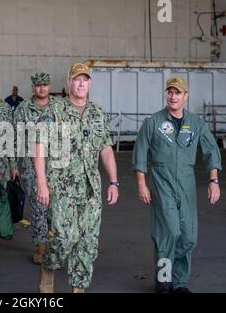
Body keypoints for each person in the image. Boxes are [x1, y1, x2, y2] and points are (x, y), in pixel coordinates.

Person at [33, 62, 119, 293]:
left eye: (85, 79)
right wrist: (41, 183)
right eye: (77, 79)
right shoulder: (54, 111)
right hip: (62, 188)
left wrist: (113, 181)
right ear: (69, 82)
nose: (81, 83)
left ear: (89, 83)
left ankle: (78, 287)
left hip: (91, 189)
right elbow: (39, 148)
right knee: (65, 237)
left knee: (88, 242)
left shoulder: (98, 113)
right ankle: (49, 267)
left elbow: (106, 149)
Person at [132, 76, 222, 293]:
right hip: (163, 182)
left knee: (188, 236)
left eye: (178, 92)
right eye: (170, 92)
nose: (173, 96)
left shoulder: (196, 122)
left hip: (187, 184)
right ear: (166, 95)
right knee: (169, 232)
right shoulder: (153, 122)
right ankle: (164, 280)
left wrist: (214, 180)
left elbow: (211, 150)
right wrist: (142, 183)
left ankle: (179, 282)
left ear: (185, 96)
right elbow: (141, 153)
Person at [13, 72, 57, 265]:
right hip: (31, 166)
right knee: (39, 207)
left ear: (49, 86)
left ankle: (55, 244)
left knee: (55, 207)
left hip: (56, 166)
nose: (42, 88)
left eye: (45, 85)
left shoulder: (59, 107)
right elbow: (14, 139)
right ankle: (40, 246)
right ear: (33, 87)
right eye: (38, 85)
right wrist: (13, 165)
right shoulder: (23, 109)